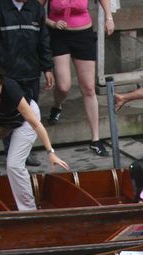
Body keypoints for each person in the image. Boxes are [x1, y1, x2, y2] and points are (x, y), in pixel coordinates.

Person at [0, 64, 69, 210]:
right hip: (2, 118)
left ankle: (29, 211)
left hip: (26, 119)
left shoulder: (11, 88)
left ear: (1, 84)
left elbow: (35, 124)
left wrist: (51, 153)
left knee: (14, 165)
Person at [0, 0, 55, 168]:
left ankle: (24, 152)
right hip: (6, 74)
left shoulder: (36, 8)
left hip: (31, 72)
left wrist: (47, 68)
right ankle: (10, 152)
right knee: (8, 116)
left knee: (29, 115)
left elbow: (43, 41)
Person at [42, 0, 114, 157]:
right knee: (63, 86)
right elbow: (36, 11)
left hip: (83, 34)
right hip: (58, 35)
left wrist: (109, 17)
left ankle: (95, 139)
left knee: (88, 88)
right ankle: (57, 105)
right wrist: (51, 23)